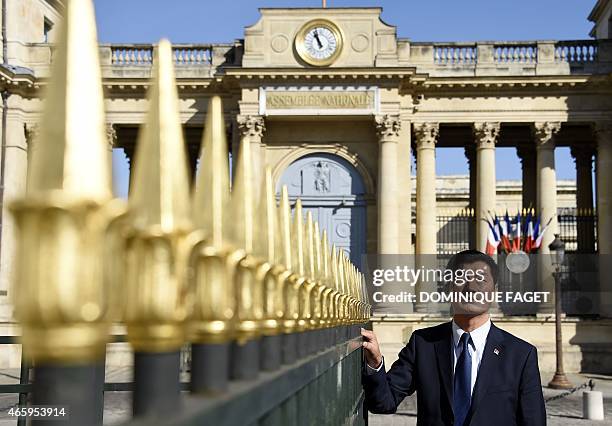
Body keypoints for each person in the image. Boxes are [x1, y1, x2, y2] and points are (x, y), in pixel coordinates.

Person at [361, 249, 546, 426]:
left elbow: (533, 421)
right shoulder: (423, 344)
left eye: (481, 280)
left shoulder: (521, 354)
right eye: (461, 279)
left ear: (494, 290)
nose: (471, 288)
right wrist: (375, 363)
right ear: (449, 287)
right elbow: (383, 403)